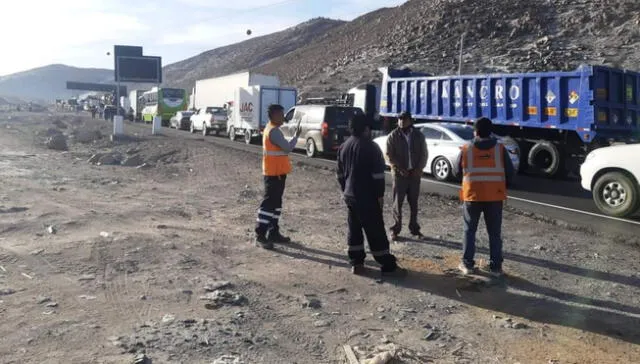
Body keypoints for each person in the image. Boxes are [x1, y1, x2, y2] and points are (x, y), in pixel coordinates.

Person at [336, 114, 406, 277]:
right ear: (366, 128)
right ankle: (387, 264)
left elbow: (339, 174)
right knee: (375, 230)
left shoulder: (344, 146)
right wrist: (379, 196)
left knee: (354, 229)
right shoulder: (371, 147)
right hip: (367, 196)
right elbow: (377, 176)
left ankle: (356, 263)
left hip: (350, 196)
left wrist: (345, 190)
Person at [455, 117, 515, 277]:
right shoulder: (500, 149)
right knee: (494, 233)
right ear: (491, 131)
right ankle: (496, 267)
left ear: (475, 131)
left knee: (469, 231)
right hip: (494, 198)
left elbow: (456, 172)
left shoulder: (466, 148)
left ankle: (467, 264)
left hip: (472, 197)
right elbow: (510, 173)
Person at [254, 104, 302, 249]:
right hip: (274, 174)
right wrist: (295, 137)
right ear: (274, 115)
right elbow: (287, 148)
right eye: (281, 114)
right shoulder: (274, 131)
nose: (283, 117)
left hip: (277, 173)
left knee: (275, 205)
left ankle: (273, 232)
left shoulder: (272, 129)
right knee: (269, 205)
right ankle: (260, 234)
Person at [385, 111, 428, 241]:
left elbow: (424, 153)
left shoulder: (418, 135)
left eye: (404, 119)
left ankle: (414, 229)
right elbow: (388, 155)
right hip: (399, 175)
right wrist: (399, 169)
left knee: (413, 203)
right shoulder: (393, 136)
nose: (401, 121)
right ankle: (395, 229)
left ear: (410, 120)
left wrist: (419, 169)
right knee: (397, 203)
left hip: (414, 175)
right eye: (399, 119)